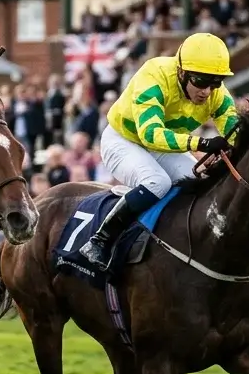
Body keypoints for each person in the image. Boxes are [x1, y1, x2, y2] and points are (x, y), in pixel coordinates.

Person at [77, 32, 238, 270]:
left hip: (163, 146)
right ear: (182, 72)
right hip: (124, 140)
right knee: (157, 182)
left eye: (215, 83)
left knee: (197, 182)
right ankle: (99, 241)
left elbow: (234, 132)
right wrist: (202, 144)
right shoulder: (154, 76)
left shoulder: (216, 95)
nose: (207, 91)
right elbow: (150, 134)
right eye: (201, 82)